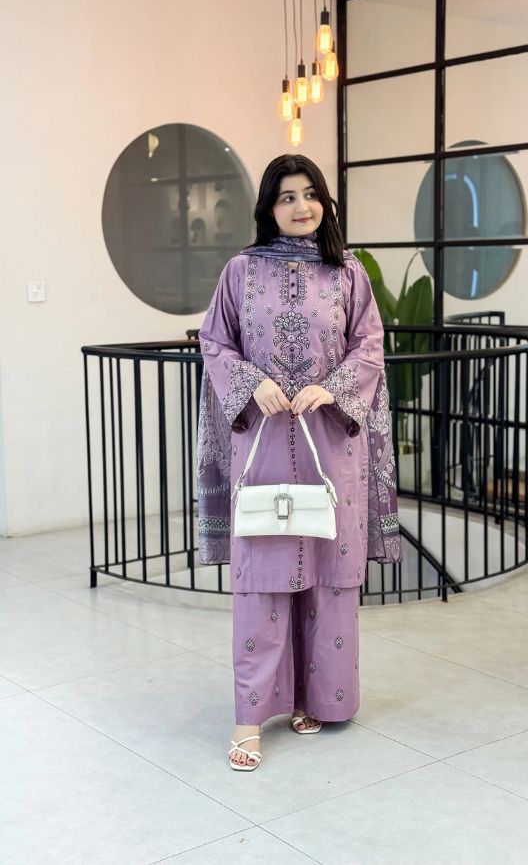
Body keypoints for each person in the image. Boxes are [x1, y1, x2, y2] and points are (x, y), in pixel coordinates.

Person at [196, 154, 402, 771]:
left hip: (329, 446)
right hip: (261, 446)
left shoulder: (348, 273)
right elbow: (214, 340)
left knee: (327, 579)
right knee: (262, 578)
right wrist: (248, 381)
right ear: (268, 207)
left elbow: (370, 343)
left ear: (325, 202)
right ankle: (248, 718)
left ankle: (320, 698)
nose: (300, 206)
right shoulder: (238, 272)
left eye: (310, 194)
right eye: (287, 197)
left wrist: (336, 388)